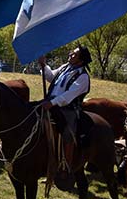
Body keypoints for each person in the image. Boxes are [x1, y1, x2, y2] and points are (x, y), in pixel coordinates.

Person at [38, 45, 92, 175]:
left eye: (74, 54)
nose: (70, 55)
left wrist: (52, 103)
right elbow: (51, 77)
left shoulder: (83, 77)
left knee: (68, 135)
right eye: (72, 53)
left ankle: (65, 166)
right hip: (50, 103)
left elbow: (68, 96)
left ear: (81, 60)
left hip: (67, 109)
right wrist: (44, 65)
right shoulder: (65, 67)